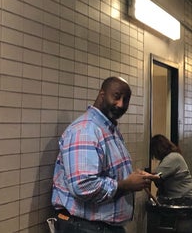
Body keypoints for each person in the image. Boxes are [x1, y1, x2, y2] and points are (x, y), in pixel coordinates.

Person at [51, 76, 159, 233]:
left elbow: (106, 172)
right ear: (102, 94)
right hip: (84, 227)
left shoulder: (108, 129)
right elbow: (83, 185)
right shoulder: (86, 131)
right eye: (116, 97)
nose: (121, 104)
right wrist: (125, 185)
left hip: (100, 227)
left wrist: (133, 178)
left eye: (126, 100)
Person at [150, 134, 192, 199]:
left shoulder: (172, 158)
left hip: (189, 198)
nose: (155, 157)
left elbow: (156, 176)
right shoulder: (173, 157)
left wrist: (142, 175)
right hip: (184, 198)